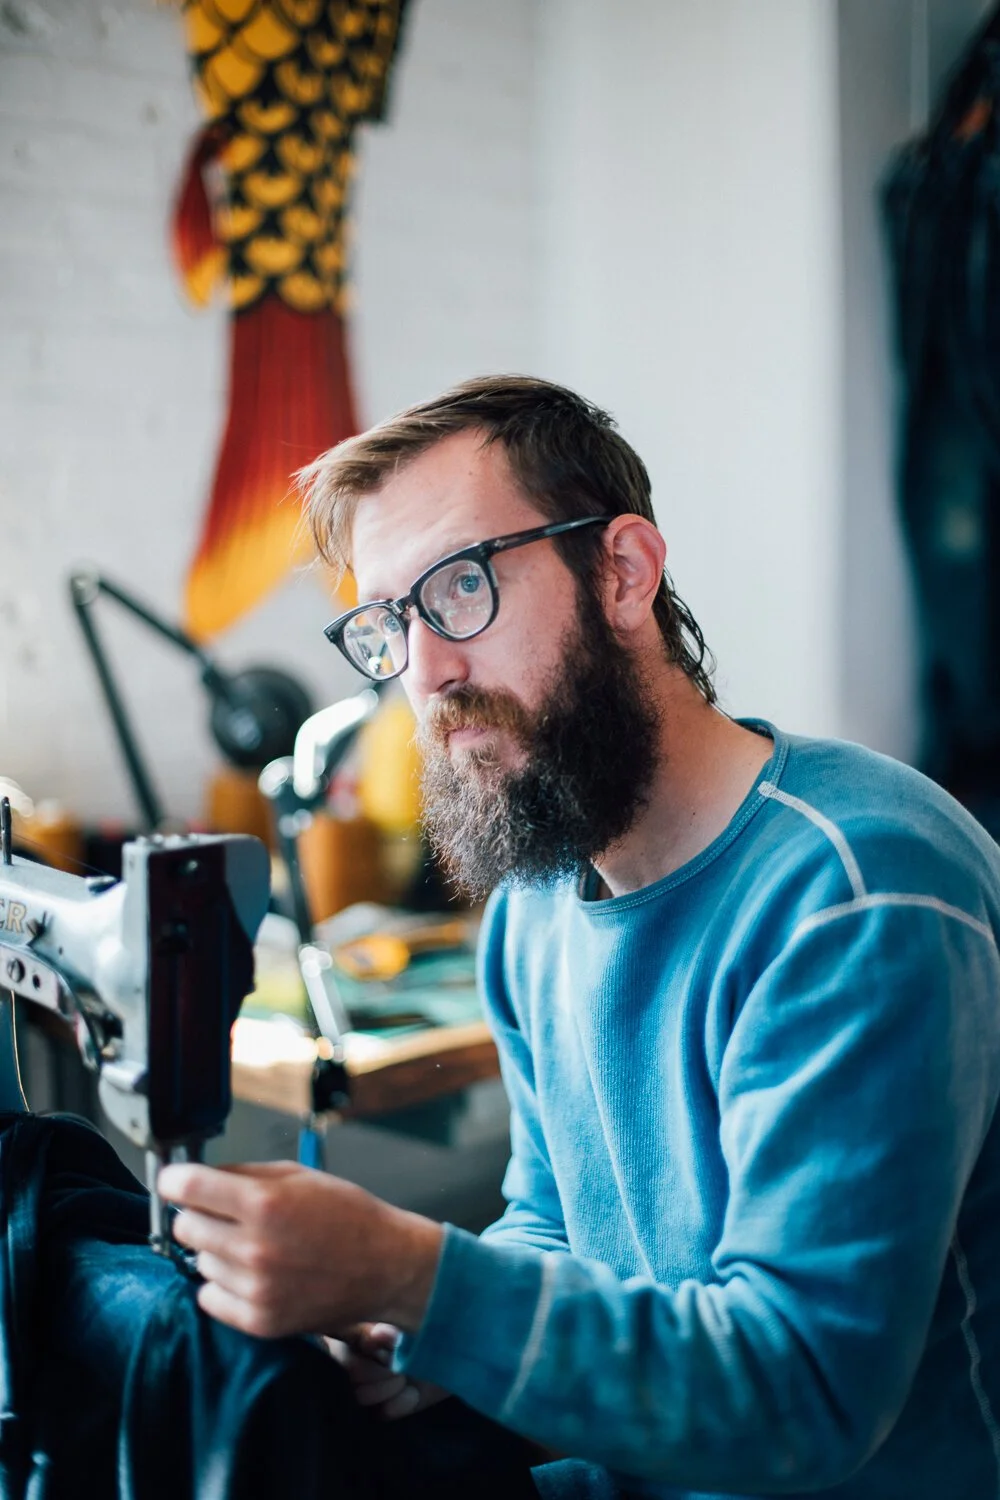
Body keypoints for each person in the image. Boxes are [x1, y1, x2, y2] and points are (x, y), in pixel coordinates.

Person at [161, 376, 1000, 1499]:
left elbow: (805, 1394)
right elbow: (559, 1227)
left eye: (461, 587)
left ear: (622, 573)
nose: (425, 672)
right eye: (389, 621)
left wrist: (421, 1279)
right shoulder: (535, 906)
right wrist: (422, 1344)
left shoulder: (857, 891)